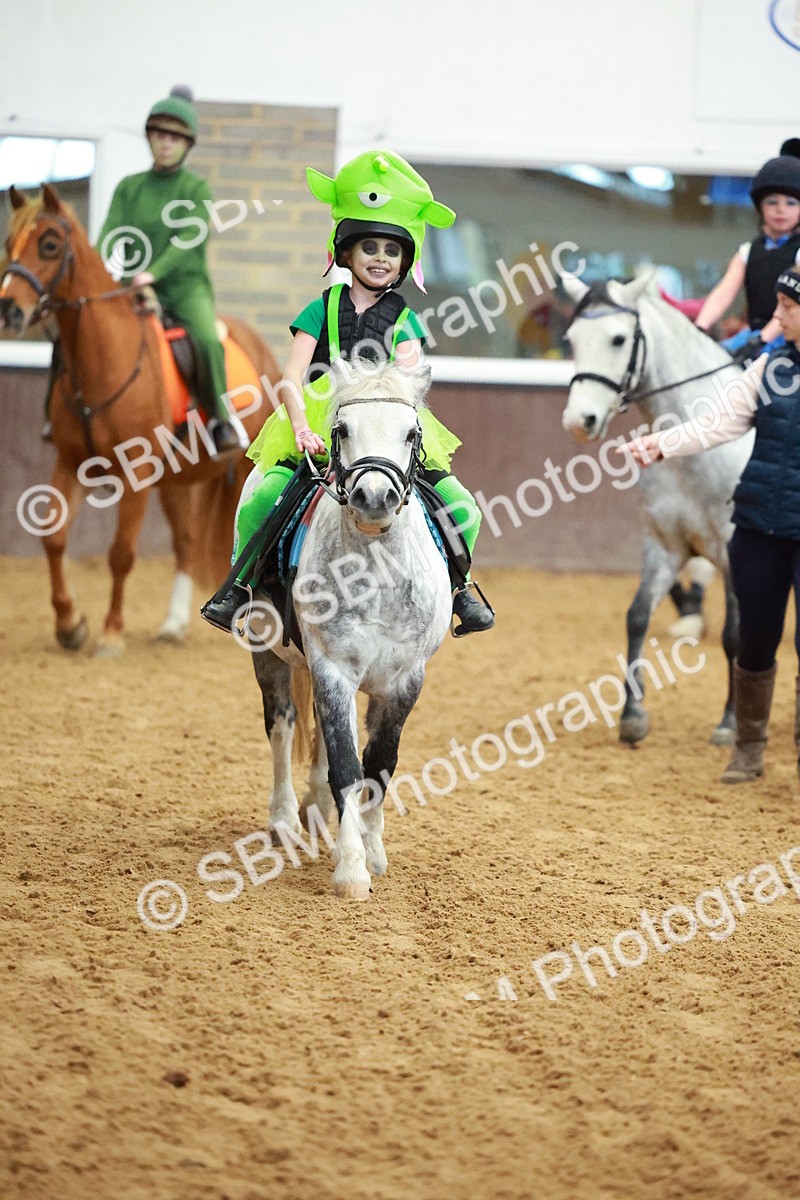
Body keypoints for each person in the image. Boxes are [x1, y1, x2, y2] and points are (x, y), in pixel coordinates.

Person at [202, 149, 494, 636]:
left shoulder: (405, 320)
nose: (380, 258)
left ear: (404, 261)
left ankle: (461, 588)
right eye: (370, 248)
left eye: (391, 251)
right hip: (321, 422)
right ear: (347, 252)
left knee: (463, 507)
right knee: (263, 499)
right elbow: (289, 377)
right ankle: (241, 588)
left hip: (384, 429)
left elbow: (412, 383)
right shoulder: (319, 310)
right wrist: (299, 426)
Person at [621, 266, 800, 784]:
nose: (778, 314)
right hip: (760, 526)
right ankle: (748, 749)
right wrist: (661, 443)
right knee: (756, 639)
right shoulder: (771, 367)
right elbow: (719, 422)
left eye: (789, 307)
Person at [92, 85, 239, 455]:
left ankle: (220, 419)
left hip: (186, 289)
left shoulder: (196, 188)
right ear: (150, 138)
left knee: (207, 339)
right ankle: (62, 416)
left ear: (187, 143)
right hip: (135, 286)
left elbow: (190, 236)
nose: (166, 143)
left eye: (175, 137)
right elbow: (111, 231)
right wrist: (98, 267)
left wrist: (152, 272)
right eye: (160, 135)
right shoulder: (130, 187)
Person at [695, 139, 800, 365]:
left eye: (791, 203)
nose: (781, 209)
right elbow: (723, 293)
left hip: (787, 338)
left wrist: (763, 339)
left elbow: (790, 305)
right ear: (760, 207)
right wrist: (700, 328)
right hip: (754, 335)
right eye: (772, 202)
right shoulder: (748, 251)